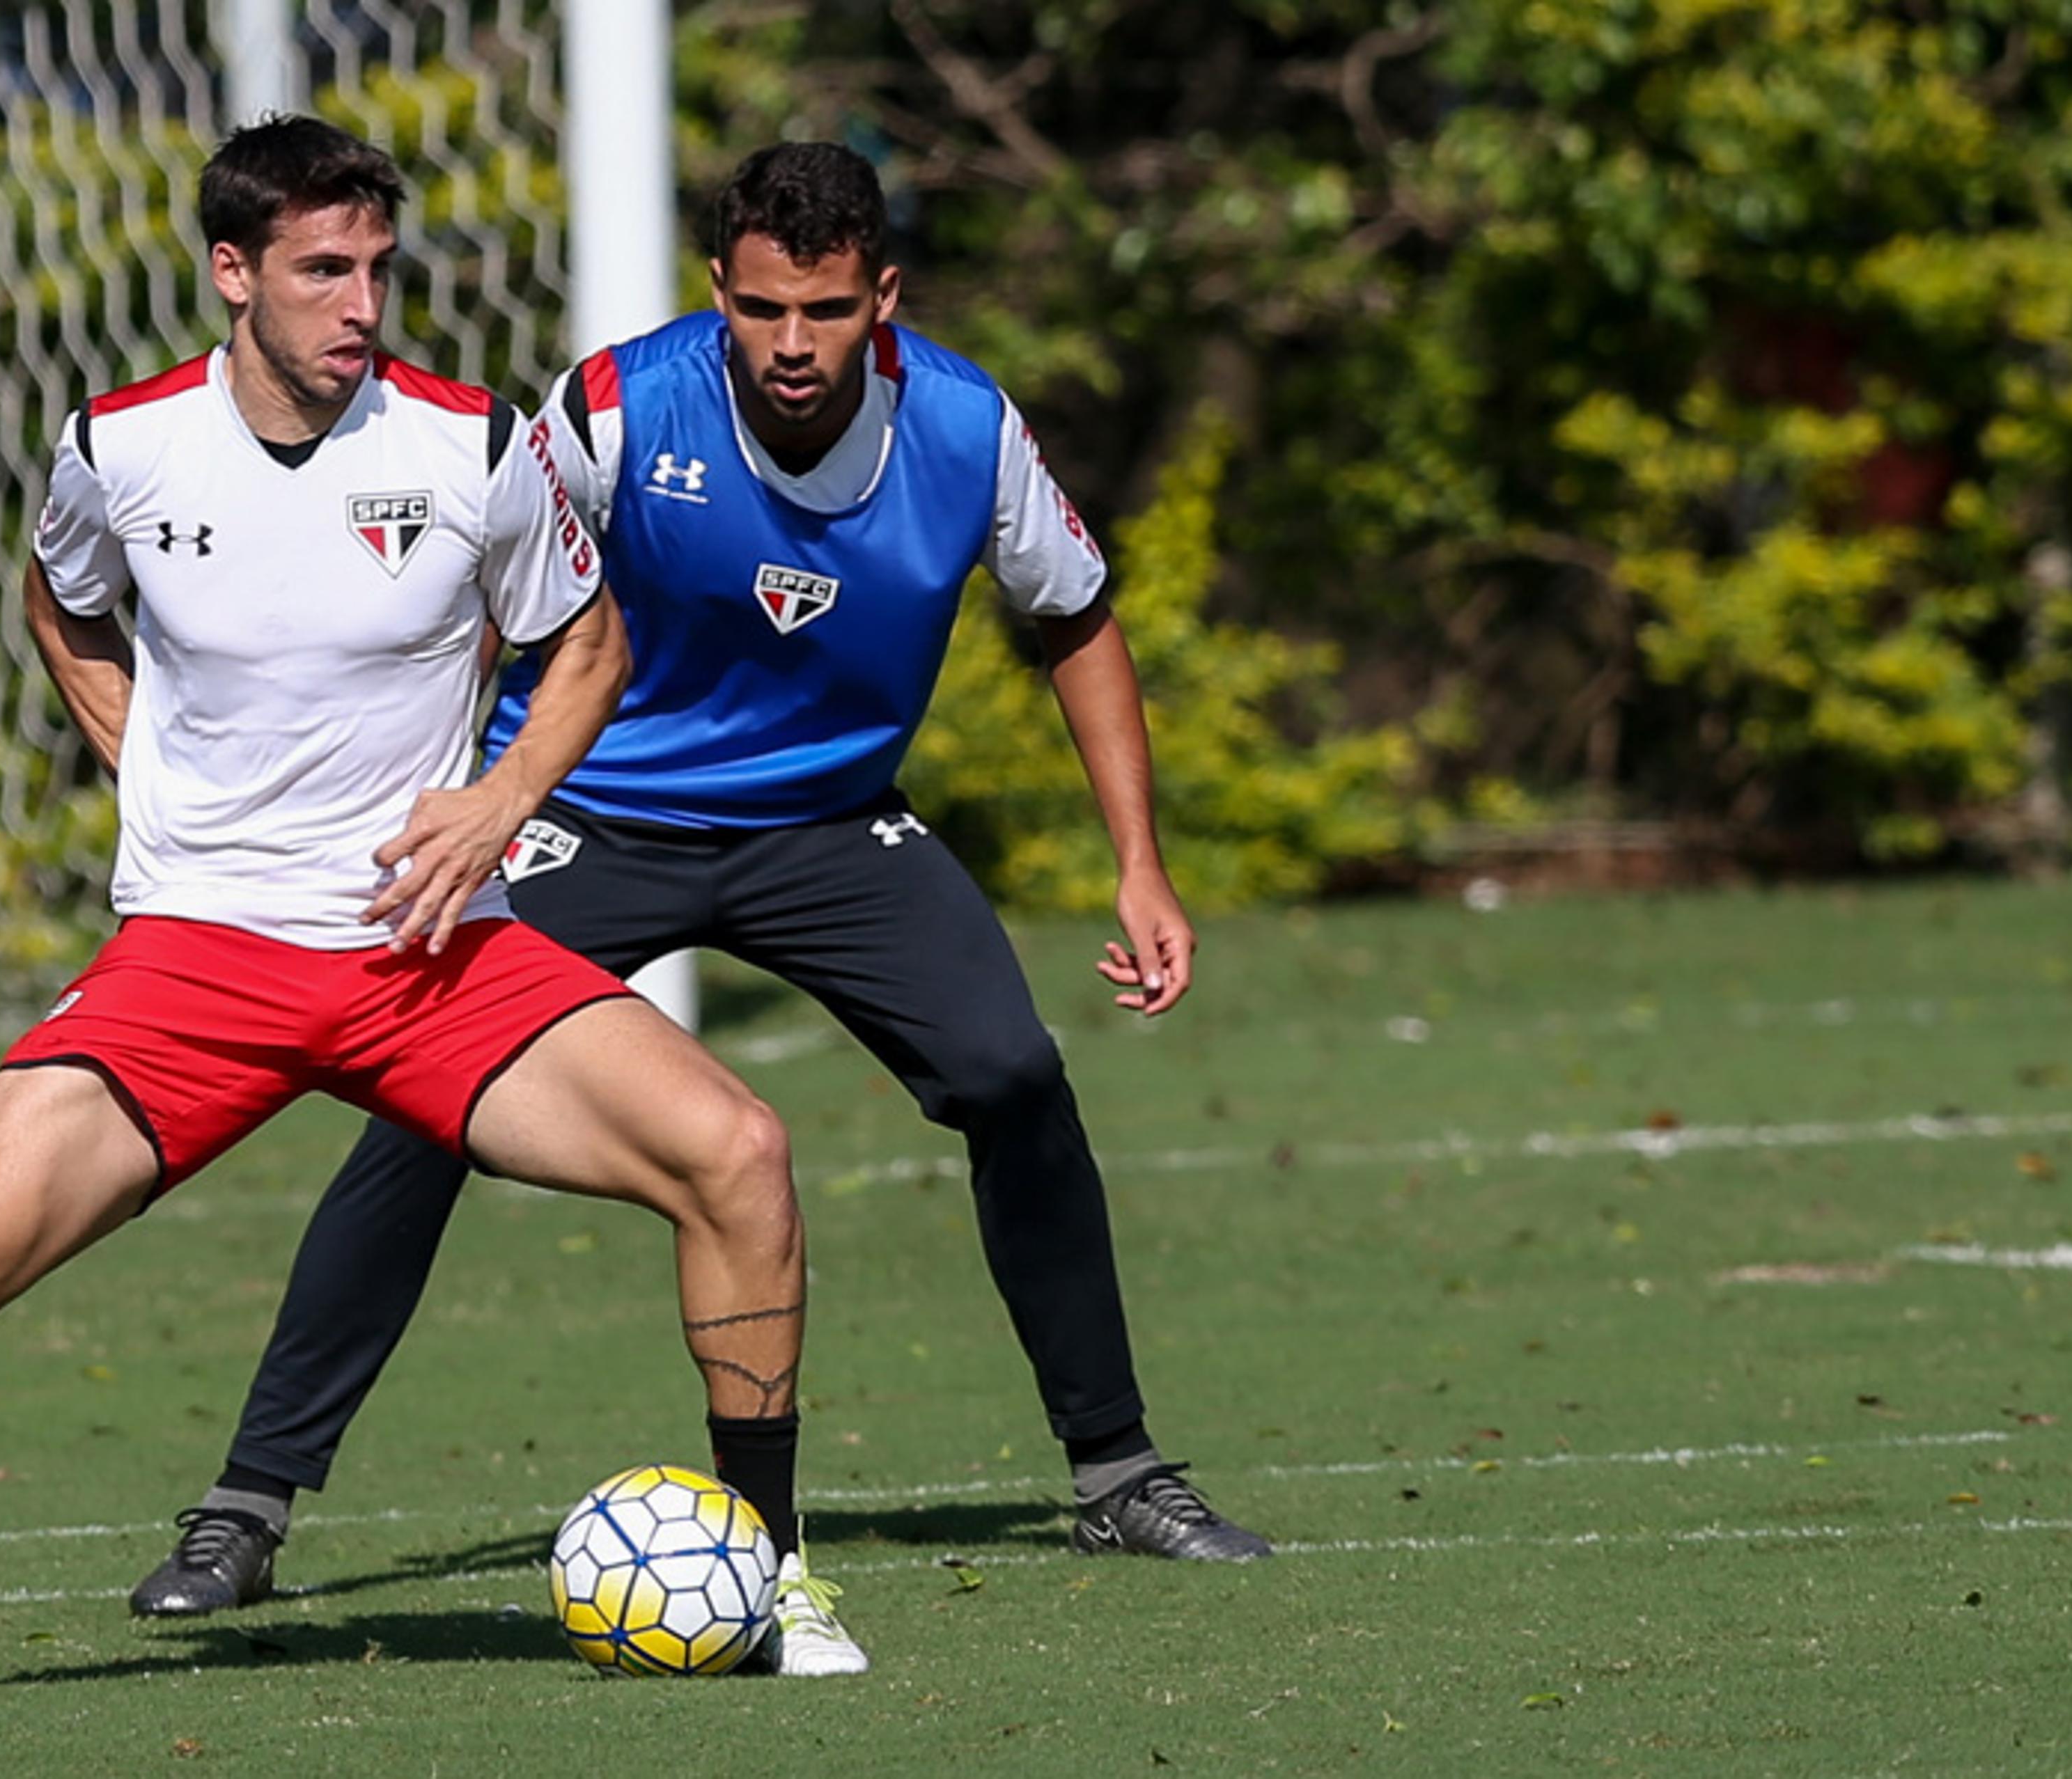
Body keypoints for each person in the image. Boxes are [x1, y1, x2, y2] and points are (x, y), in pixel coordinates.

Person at [0, 116, 862, 1721]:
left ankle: (770, 1576)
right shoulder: (121, 446)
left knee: (740, 1153)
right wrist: (140, 761)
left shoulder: (474, 443)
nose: (360, 303)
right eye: (321, 271)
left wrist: (497, 810)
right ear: (234, 273)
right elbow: (64, 598)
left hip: (427, 957)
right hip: (195, 962)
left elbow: (587, 648)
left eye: (377, 267)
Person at [123, 139, 1271, 1627]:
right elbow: (473, 578)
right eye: (763, 311)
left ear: (885, 299)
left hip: (830, 827)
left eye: (831, 312)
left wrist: (1140, 866)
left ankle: (1120, 1476)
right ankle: (247, 1508)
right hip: (587, 814)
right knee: (418, 1113)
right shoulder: (614, 406)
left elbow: (1080, 620)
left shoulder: (969, 428)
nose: (794, 346)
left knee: (1011, 1073)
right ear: (717, 291)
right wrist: (472, 795)